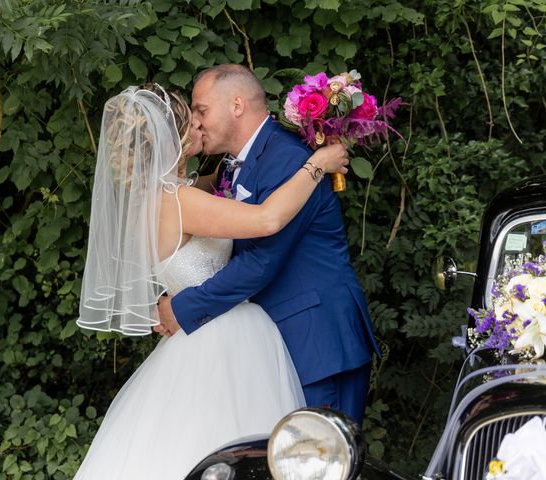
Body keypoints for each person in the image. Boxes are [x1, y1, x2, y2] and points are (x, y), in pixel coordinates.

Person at [74, 84, 349, 479]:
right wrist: (318, 164)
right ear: (176, 137)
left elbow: (219, 185)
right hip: (224, 337)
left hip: (194, 338)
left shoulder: (154, 198)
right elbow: (267, 220)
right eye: (193, 118)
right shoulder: (178, 202)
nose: (200, 123)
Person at [158, 64, 381, 425]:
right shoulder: (232, 166)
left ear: (236, 105)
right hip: (273, 344)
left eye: (202, 111)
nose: (197, 123)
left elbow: (263, 260)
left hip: (316, 340)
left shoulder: (290, 159)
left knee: (321, 462)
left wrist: (183, 308)